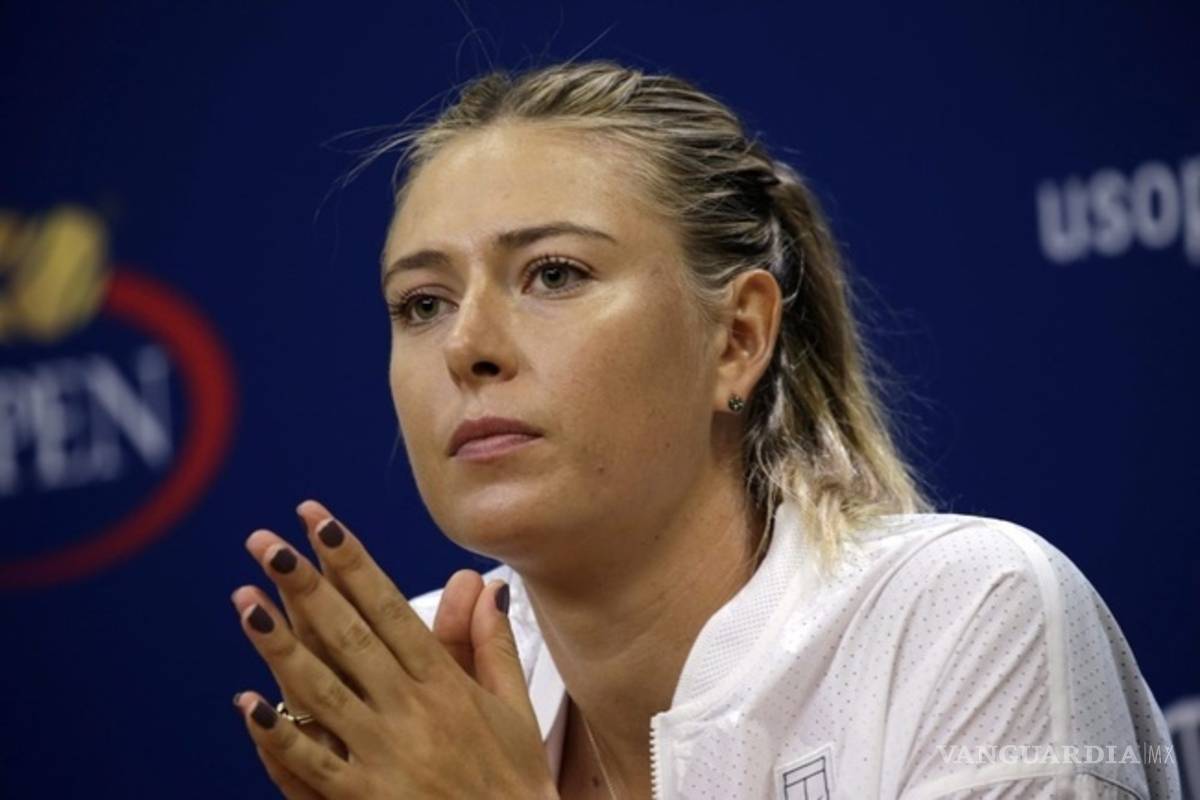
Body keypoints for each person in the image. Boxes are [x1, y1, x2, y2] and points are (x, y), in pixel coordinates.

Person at [228, 61, 1181, 798]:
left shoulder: (965, 614)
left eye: (554, 274)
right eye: (422, 303)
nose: (466, 345)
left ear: (738, 338)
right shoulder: (419, 684)